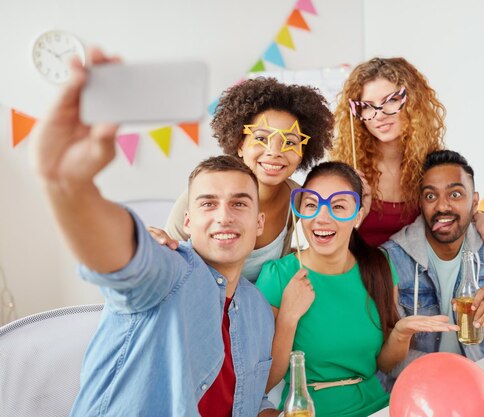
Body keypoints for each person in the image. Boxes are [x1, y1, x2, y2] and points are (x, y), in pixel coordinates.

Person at [32, 49, 276, 417]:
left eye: (240, 203)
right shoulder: (170, 273)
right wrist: (69, 186)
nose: (224, 216)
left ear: (259, 223)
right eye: (208, 204)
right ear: (189, 220)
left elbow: (249, 399)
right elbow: (123, 261)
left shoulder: (257, 309)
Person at [256, 161, 458, 417]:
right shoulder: (278, 276)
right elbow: (263, 383)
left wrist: (401, 332)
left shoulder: (379, 267)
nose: (322, 217)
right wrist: (288, 317)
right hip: (310, 410)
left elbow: (384, 364)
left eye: (338, 206)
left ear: (358, 216)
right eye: (311, 205)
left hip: (377, 406)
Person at [381, 150, 484, 386]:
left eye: (456, 194)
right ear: (420, 203)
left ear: (475, 202)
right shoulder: (392, 258)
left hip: (475, 378)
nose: (442, 206)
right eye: (431, 196)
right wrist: (455, 377)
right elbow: (386, 357)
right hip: (416, 386)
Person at [330, 57, 484, 263]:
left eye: (391, 100)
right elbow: (328, 240)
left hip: (418, 285)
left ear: (412, 103)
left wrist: (480, 216)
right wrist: (358, 213)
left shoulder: (433, 166)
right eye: (367, 106)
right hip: (358, 277)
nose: (379, 115)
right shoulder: (346, 170)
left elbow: (451, 211)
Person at [159, 77, 334, 281]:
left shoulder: (299, 199)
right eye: (261, 138)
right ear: (240, 144)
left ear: (303, 151)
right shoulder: (201, 194)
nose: (274, 152)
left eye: (290, 142)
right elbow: (167, 262)